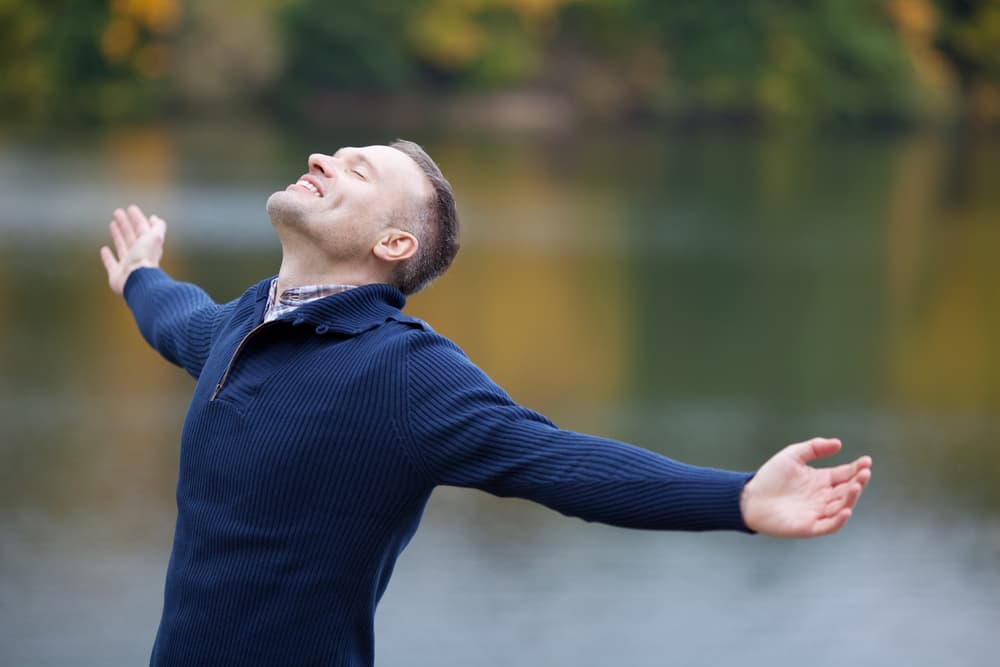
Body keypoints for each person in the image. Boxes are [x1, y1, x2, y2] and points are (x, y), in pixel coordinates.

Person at [100, 139, 872, 667]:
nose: (321, 159)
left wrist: (735, 497)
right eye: (337, 154)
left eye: (358, 172)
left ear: (394, 245)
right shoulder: (245, 323)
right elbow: (178, 321)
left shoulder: (403, 372)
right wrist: (140, 276)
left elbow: (558, 459)